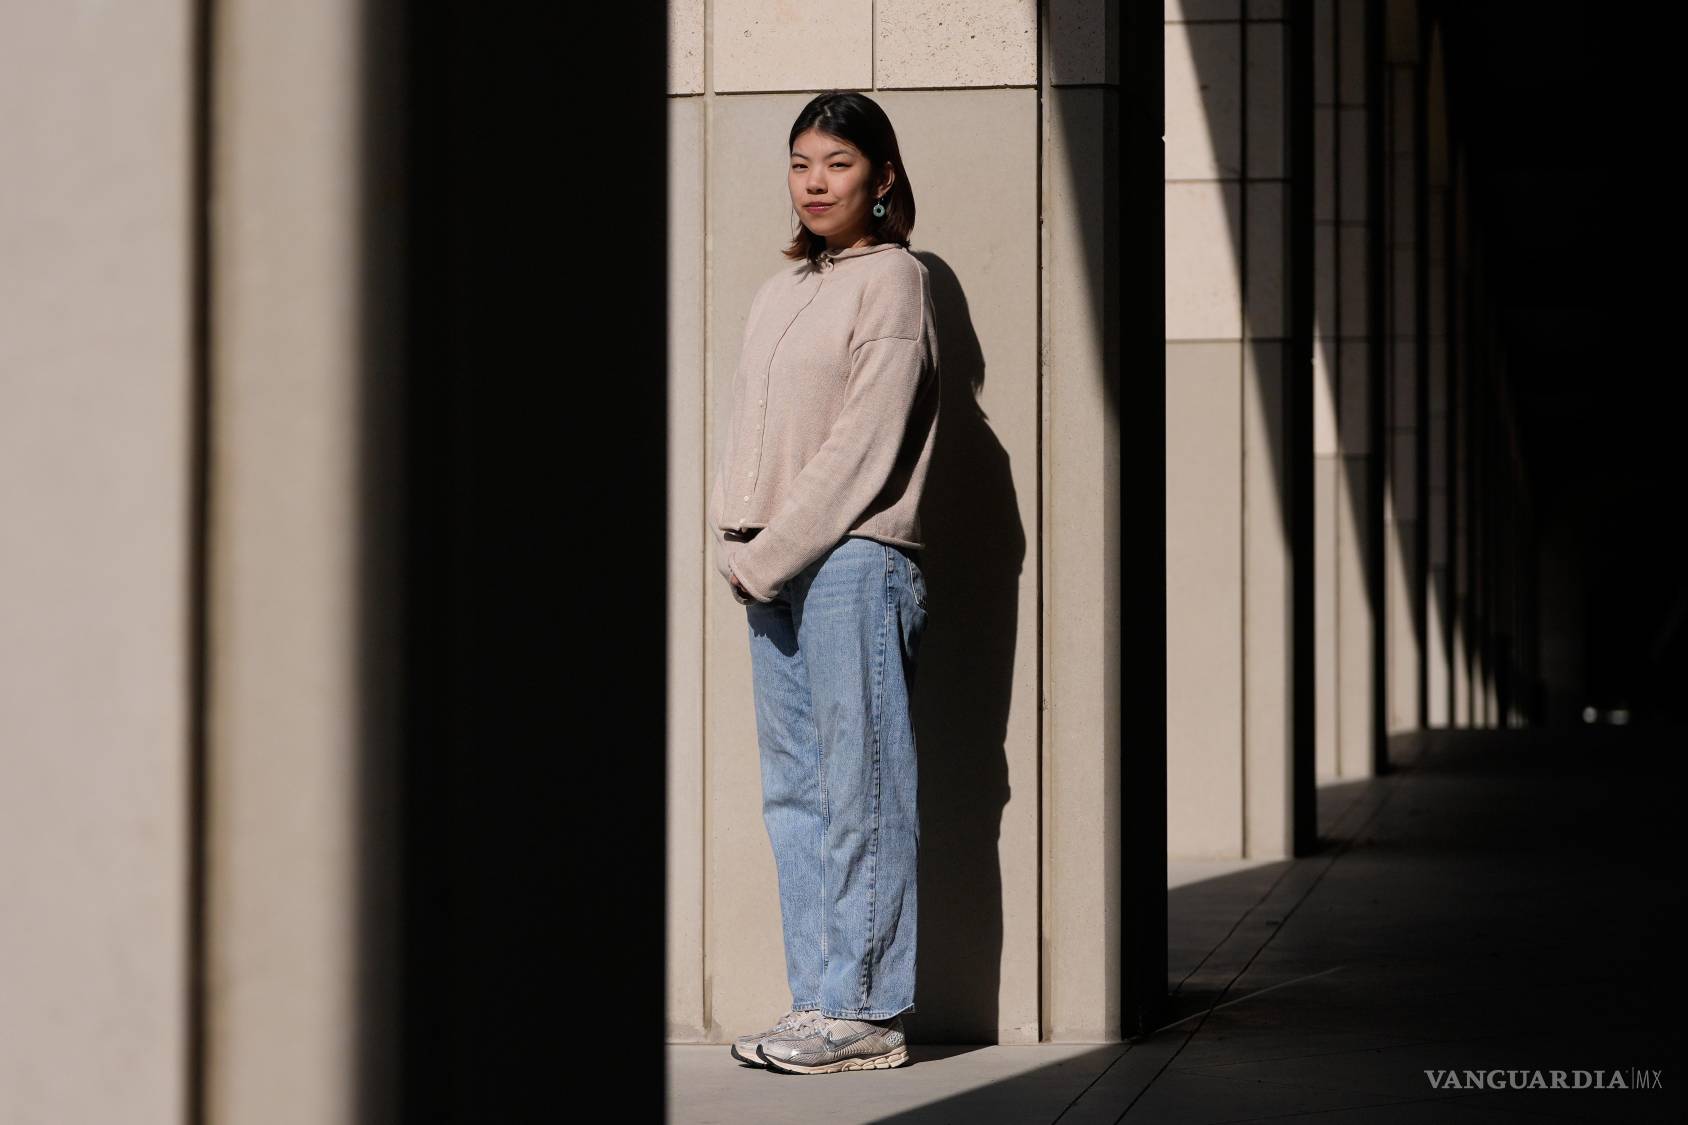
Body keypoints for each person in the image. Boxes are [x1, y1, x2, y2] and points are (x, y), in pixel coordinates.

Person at [707, 91, 940, 1076]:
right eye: (801, 162)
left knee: (861, 792)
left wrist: (763, 553)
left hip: (851, 559)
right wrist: (732, 532)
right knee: (794, 795)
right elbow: (750, 429)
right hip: (770, 562)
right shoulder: (779, 291)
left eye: (837, 163)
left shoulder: (894, 279)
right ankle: (817, 1000)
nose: (814, 181)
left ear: (881, 177)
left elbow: (862, 447)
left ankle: (865, 1010)